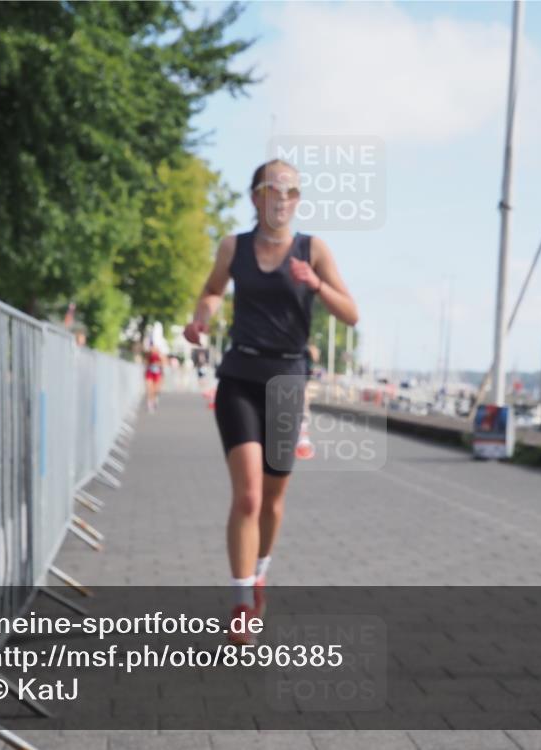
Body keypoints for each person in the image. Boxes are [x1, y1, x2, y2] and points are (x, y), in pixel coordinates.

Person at [183, 159, 358, 644]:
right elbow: (213, 291)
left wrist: (317, 285)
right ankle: (242, 603)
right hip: (240, 374)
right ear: (256, 196)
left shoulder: (313, 249)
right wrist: (200, 319)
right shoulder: (233, 247)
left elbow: (352, 314)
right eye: (273, 189)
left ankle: (260, 571)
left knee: (274, 503)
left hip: (287, 381)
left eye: (293, 191)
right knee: (249, 495)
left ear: (298, 200)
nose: (283, 198)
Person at [144, 343, 164, 412]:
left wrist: (158, 363)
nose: (153, 348)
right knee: (150, 389)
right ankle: (150, 405)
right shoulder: (148, 354)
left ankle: (155, 399)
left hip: (157, 374)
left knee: (155, 390)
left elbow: (164, 363)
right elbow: (146, 363)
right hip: (149, 373)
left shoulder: (159, 355)